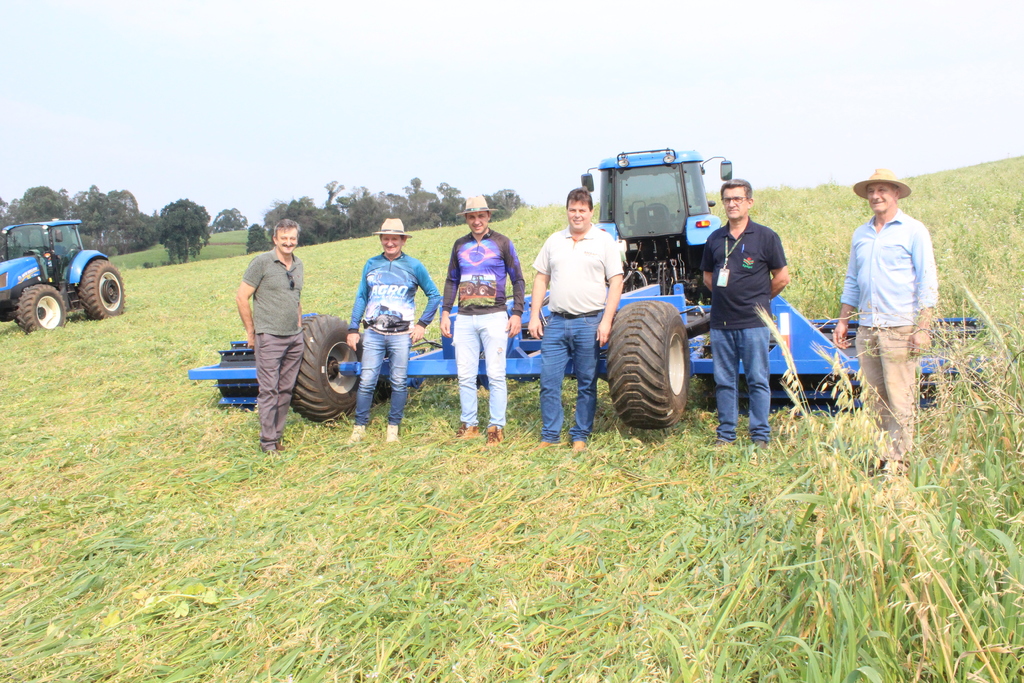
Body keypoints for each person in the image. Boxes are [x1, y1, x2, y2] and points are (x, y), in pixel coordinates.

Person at [832, 169, 938, 474]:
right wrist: (844, 321)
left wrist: (923, 326)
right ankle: (881, 455)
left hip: (899, 329)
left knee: (901, 398)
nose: (876, 196)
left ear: (896, 194)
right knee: (875, 398)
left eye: (882, 191)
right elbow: (852, 280)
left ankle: (899, 464)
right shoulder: (861, 234)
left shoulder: (913, 231)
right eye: (871, 191)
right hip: (867, 328)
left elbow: (927, 281)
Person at [527, 187, 623, 453]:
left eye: (582, 210)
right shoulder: (554, 240)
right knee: (548, 382)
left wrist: (606, 321)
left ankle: (580, 435)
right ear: (567, 211)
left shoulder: (603, 241)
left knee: (586, 383)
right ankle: (550, 435)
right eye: (572, 210)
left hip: (589, 323)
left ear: (591, 212)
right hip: (556, 322)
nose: (577, 215)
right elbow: (540, 278)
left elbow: (616, 281)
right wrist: (534, 315)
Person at [701, 180, 790, 448]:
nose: (732, 204)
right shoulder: (715, 239)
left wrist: (759, 300)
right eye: (727, 199)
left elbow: (782, 277)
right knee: (724, 381)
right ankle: (726, 434)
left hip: (754, 323)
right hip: (721, 324)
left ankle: (760, 435)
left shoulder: (765, 237)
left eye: (738, 199)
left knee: (757, 380)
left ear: (749, 202)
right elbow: (707, 277)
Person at [440, 196, 526, 446]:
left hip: (495, 316)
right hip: (465, 318)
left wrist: (517, 313)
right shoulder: (459, 245)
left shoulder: (503, 243)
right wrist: (446, 312)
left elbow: (518, 279)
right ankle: (470, 424)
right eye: (471, 217)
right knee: (465, 375)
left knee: (496, 374)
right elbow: (451, 280)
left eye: (481, 216)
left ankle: (496, 426)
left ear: (489, 216)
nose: (476, 221)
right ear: (466, 219)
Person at [346, 218, 441, 444]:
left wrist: (422, 324)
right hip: (373, 334)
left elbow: (434, 295)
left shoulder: (414, 266)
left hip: (401, 335)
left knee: (399, 381)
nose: (390, 243)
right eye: (386, 238)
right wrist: (353, 327)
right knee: (367, 380)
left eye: (394, 239)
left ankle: (393, 429)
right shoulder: (371, 264)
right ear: (381, 240)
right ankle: (359, 428)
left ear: (403, 241)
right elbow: (362, 296)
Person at [236, 219, 304, 453]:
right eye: (283, 238)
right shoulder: (262, 263)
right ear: (275, 239)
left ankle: (276, 437)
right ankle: (267, 443)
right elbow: (241, 297)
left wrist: (299, 325)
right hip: (270, 338)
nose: (288, 242)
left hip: (294, 338)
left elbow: (296, 298)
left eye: (292, 238)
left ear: (297, 239)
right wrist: (251, 331)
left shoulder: (298, 264)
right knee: (269, 390)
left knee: (286, 389)